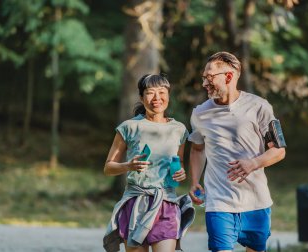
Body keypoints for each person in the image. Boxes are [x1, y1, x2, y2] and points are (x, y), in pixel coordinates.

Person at [188, 52, 286, 252]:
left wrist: (253, 163)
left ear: (229, 77)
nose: (204, 83)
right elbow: (197, 148)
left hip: (256, 201)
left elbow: (278, 151)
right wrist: (195, 180)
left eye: (209, 77)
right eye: (203, 77)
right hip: (219, 202)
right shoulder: (200, 113)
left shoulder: (259, 107)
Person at [103, 74, 195, 252]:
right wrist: (128, 166)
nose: (157, 98)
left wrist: (181, 172)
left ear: (168, 95)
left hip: (166, 203)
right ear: (141, 97)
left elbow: (179, 162)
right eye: (150, 93)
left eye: (162, 92)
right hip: (135, 204)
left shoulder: (179, 129)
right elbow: (108, 167)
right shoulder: (129, 127)